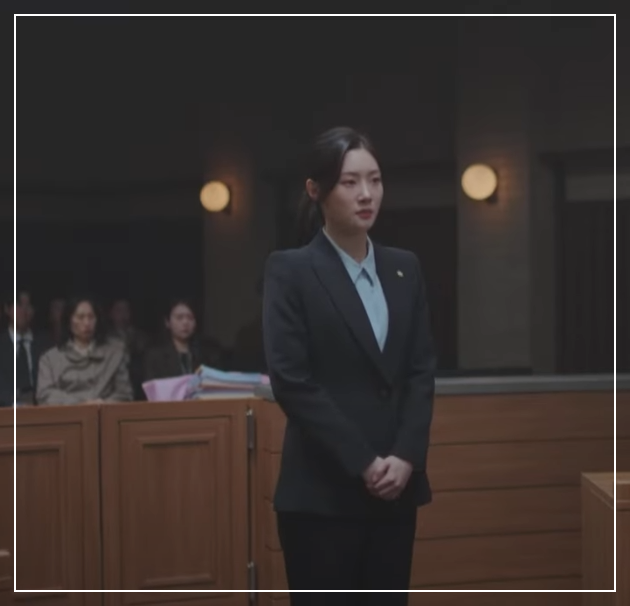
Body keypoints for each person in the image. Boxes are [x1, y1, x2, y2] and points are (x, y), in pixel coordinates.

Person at [262, 127, 436, 603]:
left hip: (396, 489)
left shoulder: (405, 268)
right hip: (322, 494)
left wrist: (406, 455)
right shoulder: (291, 270)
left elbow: (420, 371)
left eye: (375, 180)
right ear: (315, 190)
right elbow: (292, 381)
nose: (366, 194)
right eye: (350, 182)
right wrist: (364, 462)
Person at [36, 295, 133, 405]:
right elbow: (45, 394)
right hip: (68, 414)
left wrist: (103, 404)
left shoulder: (114, 353)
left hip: (106, 413)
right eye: (80, 317)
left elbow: (125, 394)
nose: (87, 323)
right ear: (69, 321)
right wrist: (81, 404)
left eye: (91, 317)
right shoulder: (50, 359)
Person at [144, 298, 227, 381]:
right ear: (167, 322)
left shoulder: (209, 352)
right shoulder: (155, 355)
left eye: (190, 318)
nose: (185, 322)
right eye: (179, 318)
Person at [0, 291, 48, 406]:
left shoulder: (45, 344)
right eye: (19, 305)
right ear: (7, 309)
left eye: (28, 306)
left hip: (42, 408)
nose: (24, 311)